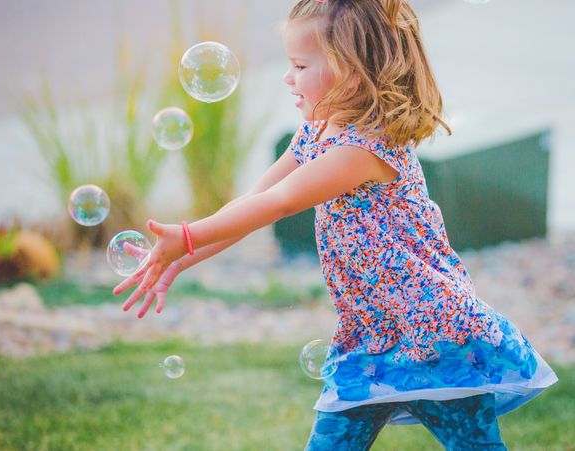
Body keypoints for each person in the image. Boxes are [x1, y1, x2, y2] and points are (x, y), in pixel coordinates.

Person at [113, 0, 558, 449]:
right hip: (369, 338)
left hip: (432, 331)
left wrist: (188, 236)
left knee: (474, 446)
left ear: (349, 70)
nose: (288, 77)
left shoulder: (363, 148)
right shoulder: (315, 133)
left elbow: (278, 203)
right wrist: (182, 255)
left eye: (300, 64)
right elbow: (250, 205)